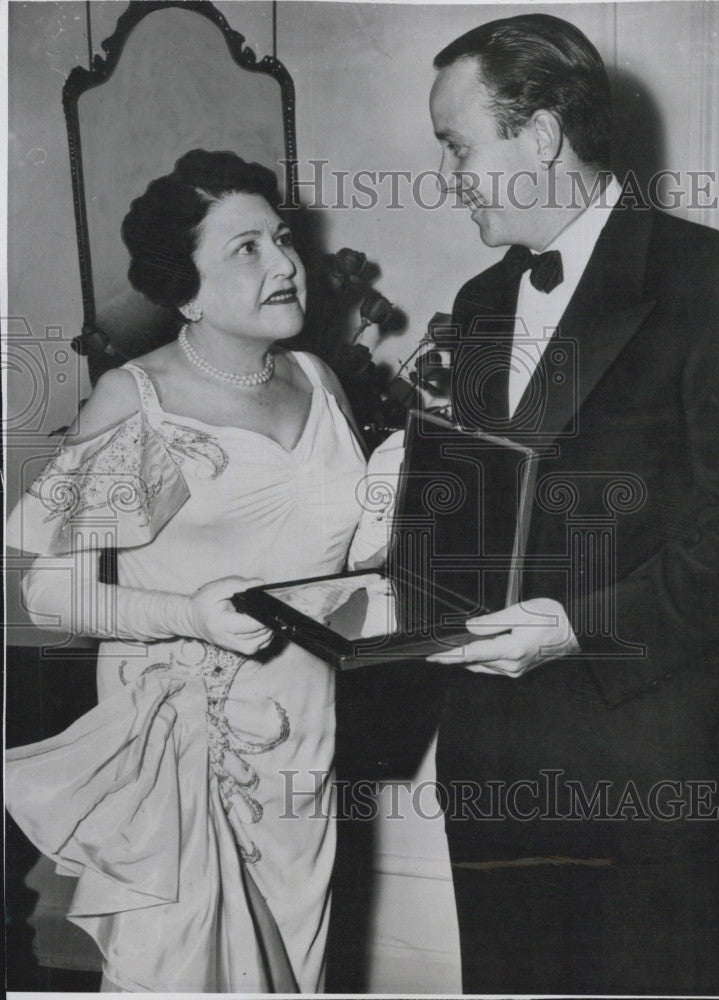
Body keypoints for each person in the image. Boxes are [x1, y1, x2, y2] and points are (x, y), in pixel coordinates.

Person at [421, 14, 719, 995]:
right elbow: (490, 523)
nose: (447, 176)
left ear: (536, 136)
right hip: (490, 761)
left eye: (456, 146)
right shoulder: (482, 300)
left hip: (652, 768)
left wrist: (577, 628)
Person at [5, 149, 366, 993]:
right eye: (246, 248)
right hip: (183, 749)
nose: (284, 263)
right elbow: (48, 594)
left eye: (282, 239)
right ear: (186, 289)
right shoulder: (141, 402)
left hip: (305, 747)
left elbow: (338, 559)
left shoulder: (317, 380)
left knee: (293, 973)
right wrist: (189, 614)